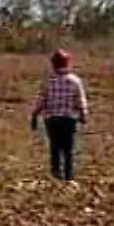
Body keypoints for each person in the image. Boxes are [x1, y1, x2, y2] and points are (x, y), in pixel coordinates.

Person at [30, 49, 89, 181]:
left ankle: (56, 175)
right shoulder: (75, 81)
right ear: (68, 63)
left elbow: (41, 100)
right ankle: (69, 176)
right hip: (69, 119)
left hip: (52, 120)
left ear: (54, 64)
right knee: (68, 149)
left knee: (54, 148)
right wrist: (84, 114)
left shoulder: (49, 81)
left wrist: (34, 116)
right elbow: (80, 100)